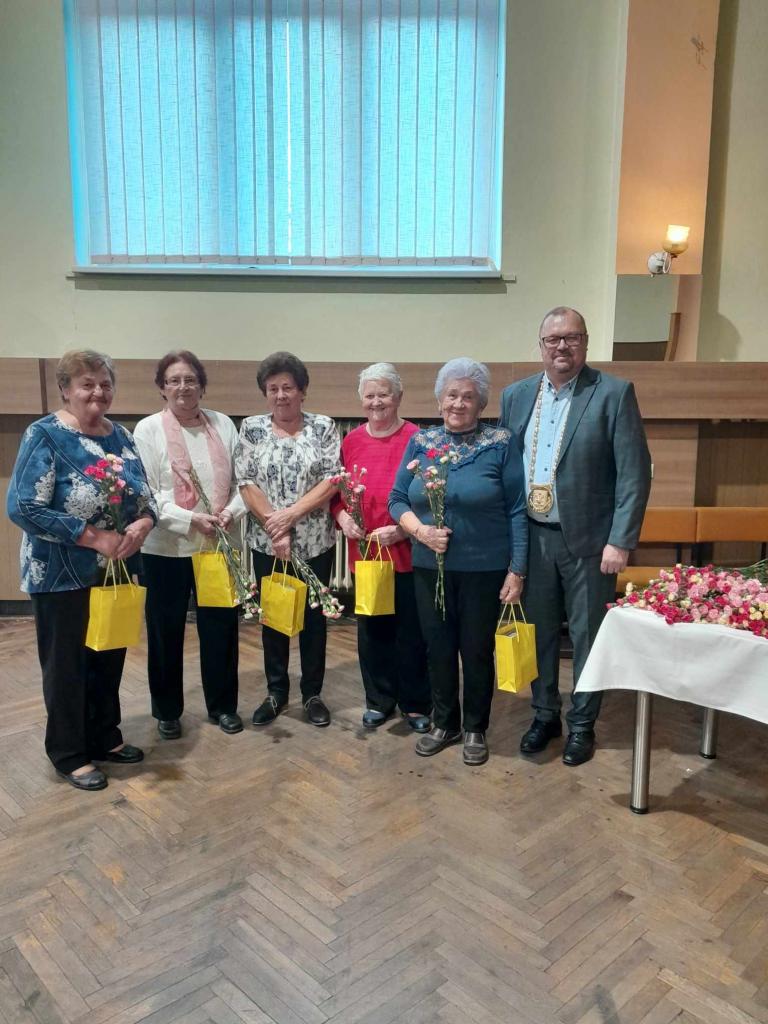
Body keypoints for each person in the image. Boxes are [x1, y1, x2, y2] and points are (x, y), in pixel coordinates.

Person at [500, 306, 651, 766]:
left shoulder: (613, 393)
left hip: (589, 542)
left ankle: (582, 724)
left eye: (572, 337)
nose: (562, 346)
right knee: (539, 634)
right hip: (533, 538)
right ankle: (545, 715)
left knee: (587, 636)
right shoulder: (516, 396)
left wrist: (620, 540)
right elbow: (506, 470)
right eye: (553, 339)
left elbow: (634, 473)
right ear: (541, 345)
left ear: (585, 342)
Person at [6, 350, 156, 791]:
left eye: (105, 384)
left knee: (108, 657)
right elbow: (23, 506)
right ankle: (69, 753)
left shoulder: (120, 435)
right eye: (87, 384)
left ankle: (104, 736)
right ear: (65, 389)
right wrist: (91, 536)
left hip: (115, 572)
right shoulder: (45, 435)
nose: (98, 392)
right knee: (67, 666)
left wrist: (144, 522)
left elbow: (145, 495)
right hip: (59, 575)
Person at [389, 358, 528, 766]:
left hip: (484, 569)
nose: (458, 403)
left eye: (468, 397)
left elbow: (518, 509)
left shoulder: (501, 442)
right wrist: (421, 532)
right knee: (438, 647)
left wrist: (517, 569)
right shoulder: (422, 442)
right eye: (451, 395)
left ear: (481, 403)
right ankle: (444, 722)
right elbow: (397, 499)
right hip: (429, 567)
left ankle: (475, 727)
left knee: (477, 650)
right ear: (439, 400)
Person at [133, 351, 247, 740]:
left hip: (218, 544)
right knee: (165, 630)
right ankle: (167, 711)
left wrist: (231, 512)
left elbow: (243, 483)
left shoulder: (223, 424)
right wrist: (189, 519)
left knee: (221, 627)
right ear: (162, 387)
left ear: (201, 385)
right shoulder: (148, 429)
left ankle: (223, 706)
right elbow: (147, 492)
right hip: (166, 548)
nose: (183, 387)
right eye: (174, 380)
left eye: (190, 380)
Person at [235, 352, 341, 728]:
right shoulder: (252, 428)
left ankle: (312, 693)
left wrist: (290, 516)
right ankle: (276, 691)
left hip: (315, 542)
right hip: (268, 544)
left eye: (288, 387)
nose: (281, 395)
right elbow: (245, 481)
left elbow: (332, 478)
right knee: (275, 618)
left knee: (313, 620)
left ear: (302, 390)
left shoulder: (323, 426)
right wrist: (275, 528)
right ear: (266, 393)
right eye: (273, 388)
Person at [333, 363, 431, 732]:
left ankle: (416, 704)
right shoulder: (351, 441)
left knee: (411, 632)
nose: (377, 402)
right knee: (373, 632)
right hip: (367, 556)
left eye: (384, 394)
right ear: (361, 400)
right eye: (370, 395)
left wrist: (403, 530)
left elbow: (431, 497)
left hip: (408, 553)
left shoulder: (417, 439)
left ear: (399, 397)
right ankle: (378, 700)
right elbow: (337, 493)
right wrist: (343, 517)